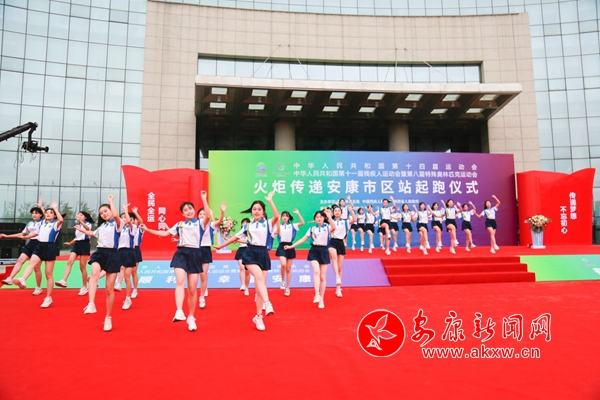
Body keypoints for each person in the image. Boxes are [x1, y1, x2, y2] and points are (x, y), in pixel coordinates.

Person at [140, 191, 213, 332]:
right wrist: (147, 229)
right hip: (181, 254)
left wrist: (204, 199)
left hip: (195, 255)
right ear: (182, 214)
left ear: (194, 210)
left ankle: (191, 317)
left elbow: (208, 216)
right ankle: (179, 311)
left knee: (192, 290)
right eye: (185, 210)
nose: (189, 211)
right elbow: (164, 234)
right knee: (180, 282)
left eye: (190, 209)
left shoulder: (200, 223)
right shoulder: (179, 225)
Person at [215, 192, 279, 331]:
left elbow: (276, 216)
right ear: (252, 211)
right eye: (254, 209)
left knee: (260, 287)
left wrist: (270, 200)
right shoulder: (248, 226)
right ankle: (268, 304)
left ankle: (258, 317)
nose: (256, 211)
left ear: (263, 212)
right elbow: (235, 238)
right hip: (250, 254)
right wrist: (220, 246)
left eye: (259, 209)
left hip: (263, 254)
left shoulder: (268, 224)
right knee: (259, 278)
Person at [75, 196, 122, 332]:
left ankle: (108, 317)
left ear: (111, 211)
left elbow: (116, 216)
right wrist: (81, 229)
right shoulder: (102, 226)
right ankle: (91, 304)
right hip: (100, 253)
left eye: (105, 211)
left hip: (113, 255)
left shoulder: (118, 224)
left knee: (109, 289)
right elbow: (92, 233)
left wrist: (111, 201)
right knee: (94, 273)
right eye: (101, 213)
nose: (103, 214)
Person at [284, 209, 336, 309]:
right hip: (314, 251)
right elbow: (303, 239)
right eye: (317, 217)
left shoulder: (327, 227)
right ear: (315, 219)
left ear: (324, 218)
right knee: (316, 271)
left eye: (321, 217)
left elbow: (334, 227)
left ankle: (321, 298)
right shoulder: (312, 228)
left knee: (322, 277)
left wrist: (329, 216)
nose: (319, 219)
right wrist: (291, 246)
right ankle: (316, 294)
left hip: (324, 251)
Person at [18, 201, 63, 308]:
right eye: (46, 213)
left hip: (50, 247)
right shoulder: (42, 223)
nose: (48, 214)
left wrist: (54, 208)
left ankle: (48, 297)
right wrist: (41, 207)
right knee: (31, 263)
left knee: (48, 274)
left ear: (54, 216)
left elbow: (61, 219)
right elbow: (44, 214)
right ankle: (23, 279)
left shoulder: (55, 224)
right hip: (39, 246)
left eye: (50, 213)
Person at [0, 202, 44, 294]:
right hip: (31, 244)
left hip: (39, 244)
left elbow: (35, 234)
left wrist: (41, 206)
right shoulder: (30, 224)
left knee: (36, 268)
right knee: (20, 260)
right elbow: (22, 234)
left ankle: (38, 287)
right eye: (33, 213)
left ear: (41, 214)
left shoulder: (43, 223)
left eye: (36, 213)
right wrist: (7, 236)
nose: (34, 215)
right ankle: (10, 278)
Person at [55, 211, 93, 295]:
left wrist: (81, 222)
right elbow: (77, 237)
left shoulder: (88, 224)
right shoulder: (78, 225)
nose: (79, 216)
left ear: (85, 217)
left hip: (85, 244)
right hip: (77, 245)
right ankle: (64, 280)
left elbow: (87, 229)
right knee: (69, 262)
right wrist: (70, 243)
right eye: (78, 214)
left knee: (82, 267)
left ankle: (84, 286)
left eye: (81, 215)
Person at [197, 201, 226, 309]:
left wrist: (222, 212)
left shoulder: (211, 225)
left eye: (204, 214)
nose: (202, 216)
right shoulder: (195, 225)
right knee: (197, 274)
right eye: (200, 214)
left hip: (205, 250)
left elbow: (220, 221)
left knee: (203, 274)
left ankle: (201, 297)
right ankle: (202, 288)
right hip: (195, 250)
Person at [276, 209, 305, 296]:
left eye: (286, 216)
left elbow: (302, 223)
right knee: (283, 264)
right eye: (283, 216)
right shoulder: (279, 226)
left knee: (288, 268)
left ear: (289, 218)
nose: (284, 217)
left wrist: (298, 213)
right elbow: (276, 230)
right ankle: (282, 281)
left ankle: (288, 288)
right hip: (281, 246)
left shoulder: (293, 225)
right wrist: (277, 219)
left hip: (290, 246)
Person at [328, 204, 354, 298]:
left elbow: (354, 220)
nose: (337, 212)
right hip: (332, 242)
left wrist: (351, 210)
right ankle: (337, 277)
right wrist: (328, 215)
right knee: (334, 257)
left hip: (341, 242)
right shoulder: (331, 221)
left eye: (339, 211)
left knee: (340, 267)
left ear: (341, 213)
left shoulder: (345, 222)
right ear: (333, 213)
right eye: (335, 211)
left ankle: (338, 288)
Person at [117, 206, 138, 311]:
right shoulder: (119, 229)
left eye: (125, 217)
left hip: (129, 252)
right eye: (122, 218)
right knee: (119, 269)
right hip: (120, 252)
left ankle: (128, 298)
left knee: (127, 277)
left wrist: (125, 210)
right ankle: (118, 283)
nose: (124, 219)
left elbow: (129, 221)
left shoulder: (133, 228)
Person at [131, 207, 144, 299]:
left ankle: (135, 289)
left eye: (134, 220)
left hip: (135, 250)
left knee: (134, 271)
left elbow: (142, 222)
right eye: (131, 220)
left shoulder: (140, 229)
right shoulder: (126, 229)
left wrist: (135, 212)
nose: (132, 221)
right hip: (126, 250)